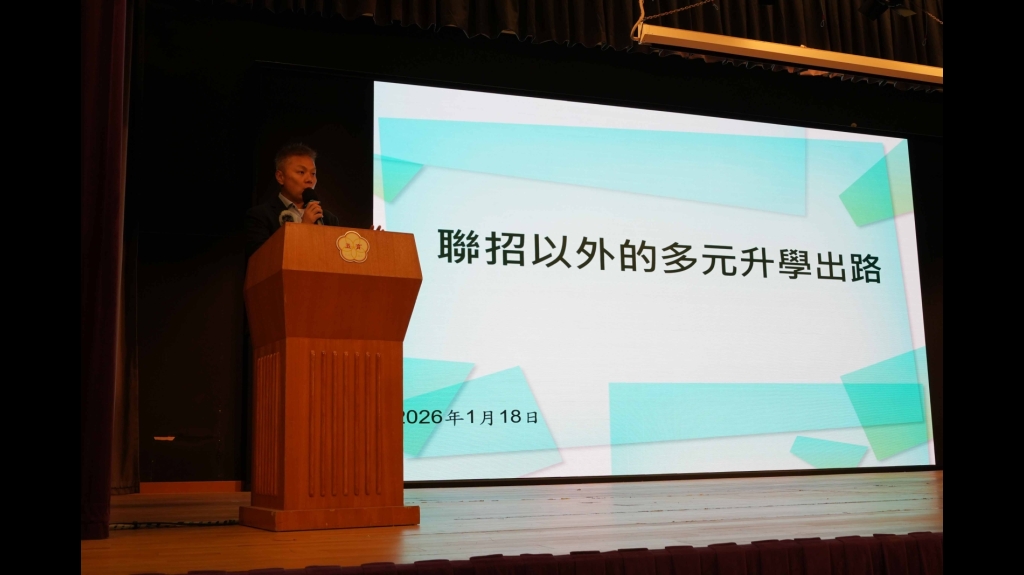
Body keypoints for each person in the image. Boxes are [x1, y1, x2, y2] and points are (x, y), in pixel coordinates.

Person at [245, 143, 340, 256]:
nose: (310, 179)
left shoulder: (329, 219)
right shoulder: (260, 216)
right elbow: (261, 260)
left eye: (313, 173)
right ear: (280, 177)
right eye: (301, 172)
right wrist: (304, 228)